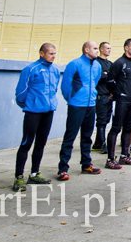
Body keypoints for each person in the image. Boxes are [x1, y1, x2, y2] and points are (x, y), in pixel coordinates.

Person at [12, 43, 61, 191]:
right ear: (41, 53)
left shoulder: (55, 70)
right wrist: (30, 105)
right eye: (50, 53)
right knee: (26, 143)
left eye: (54, 53)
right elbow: (20, 93)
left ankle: (34, 174)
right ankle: (18, 178)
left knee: (41, 143)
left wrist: (51, 104)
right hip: (33, 112)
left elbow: (54, 89)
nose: (53, 56)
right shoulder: (30, 69)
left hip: (48, 112)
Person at [57, 41, 103, 180]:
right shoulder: (74, 64)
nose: (97, 51)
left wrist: (92, 96)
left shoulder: (97, 65)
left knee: (87, 136)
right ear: (86, 50)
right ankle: (63, 169)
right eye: (95, 48)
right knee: (70, 137)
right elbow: (65, 86)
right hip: (77, 105)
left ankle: (86, 164)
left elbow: (95, 82)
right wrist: (72, 99)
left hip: (91, 105)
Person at [104, 38, 131, 169]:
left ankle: (124, 156)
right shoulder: (119, 63)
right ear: (126, 48)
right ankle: (110, 159)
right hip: (122, 100)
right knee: (116, 128)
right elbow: (109, 81)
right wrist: (117, 93)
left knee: (128, 128)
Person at [92, 42, 113, 153]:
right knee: (101, 120)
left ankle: (97, 143)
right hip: (100, 95)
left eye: (110, 48)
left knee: (105, 120)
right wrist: (106, 75)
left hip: (109, 96)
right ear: (101, 49)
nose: (109, 50)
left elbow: (114, 77)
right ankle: (102, 143)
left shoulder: (110, 63)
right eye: (107, 48)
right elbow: (98, 77)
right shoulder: (96, 63)